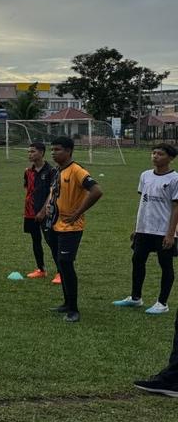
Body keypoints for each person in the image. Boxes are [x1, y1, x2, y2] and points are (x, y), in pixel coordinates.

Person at [41, 135, 103, 323]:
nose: (53, 153)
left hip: (71, 227)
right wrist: (46, 209)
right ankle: (67, 303)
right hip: (55, 224)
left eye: (57, 149)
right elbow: (54, 193)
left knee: (66, 264)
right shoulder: (57, 171)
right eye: (52, 149)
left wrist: (78, 212)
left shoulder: (77, 170)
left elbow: (97, 191)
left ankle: (74, 310)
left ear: (68, 151)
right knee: (61, 264)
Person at [113, 144, 178, 315]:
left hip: (163, 230)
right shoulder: (145, 175)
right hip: (144, 229)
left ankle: (162, 303)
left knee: (165, 264)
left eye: (160, 154)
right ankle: (136, 298)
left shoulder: (175, 179)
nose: (155, 156)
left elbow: (176, 208)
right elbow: (144, 203)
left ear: (171, 158)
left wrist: (171, 234)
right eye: (154, 153)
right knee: (137, 260)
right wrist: (137, 228)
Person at [23, 142, 56, 279]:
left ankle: (60, 272)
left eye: (33, 151)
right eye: (29, 152)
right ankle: (41, 269)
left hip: (46, 212)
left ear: (42, 153)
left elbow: (52, 193)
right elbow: (29, 190)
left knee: (51, 241)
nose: (30, 154)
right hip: (30, 212)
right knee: (35, 240)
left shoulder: (51, 171)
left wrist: (43, 211)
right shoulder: (28, 171)